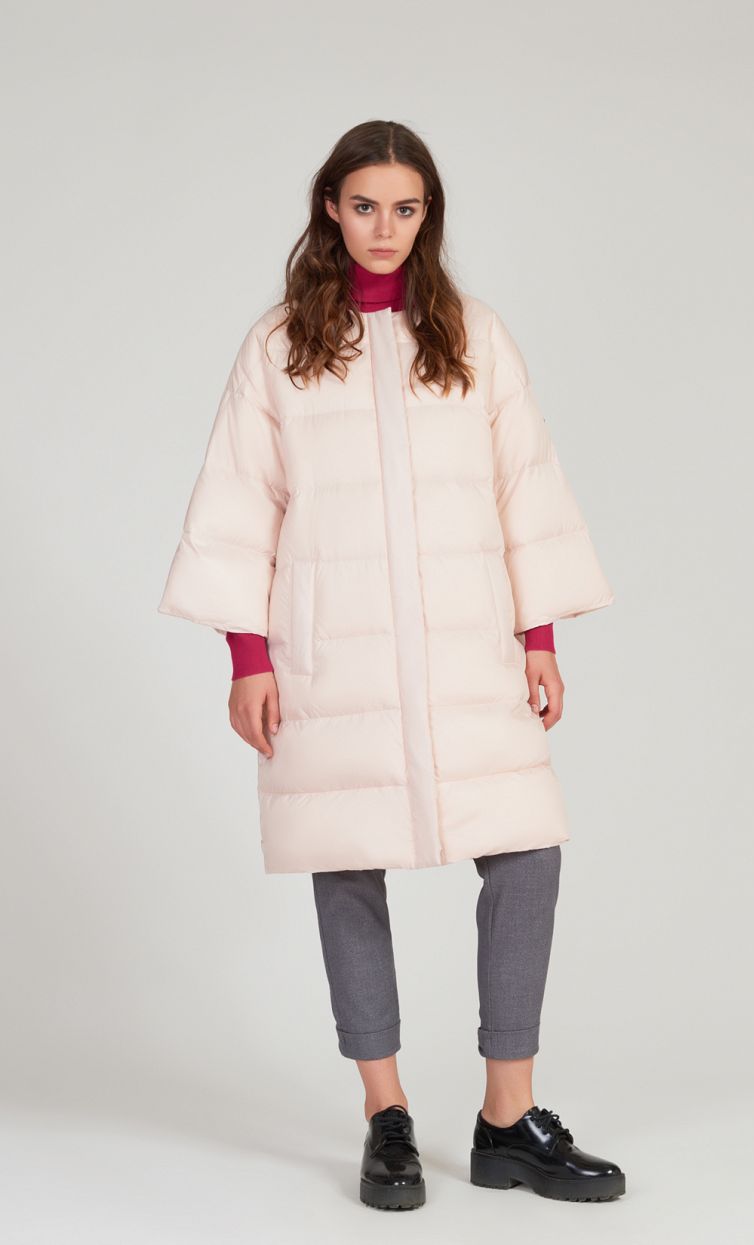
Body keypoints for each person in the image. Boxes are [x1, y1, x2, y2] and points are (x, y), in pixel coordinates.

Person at [158, 119, 625, 1211]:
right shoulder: (280, 347)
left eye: (405, 208)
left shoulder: (472, 334)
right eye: (364, 205)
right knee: (345, 861)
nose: (384, 227)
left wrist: (540, 635)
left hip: (468, 646)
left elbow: (524, 485)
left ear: (428, 215)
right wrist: (246, 655)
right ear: (330, 207)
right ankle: (387, 1117)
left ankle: (507, 1119)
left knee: (527, 852)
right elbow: (239, 502)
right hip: (334, 654)